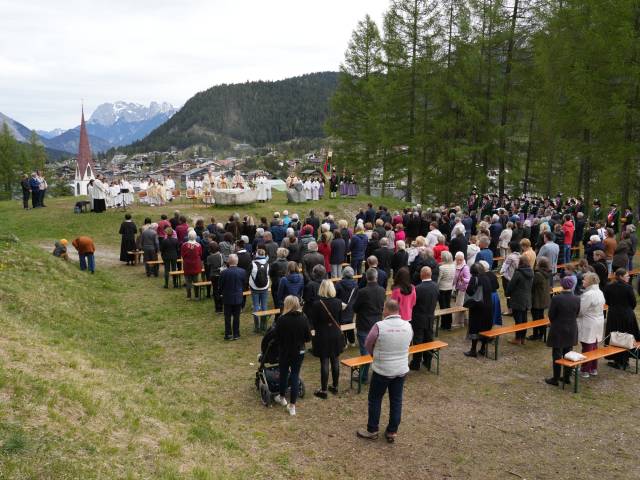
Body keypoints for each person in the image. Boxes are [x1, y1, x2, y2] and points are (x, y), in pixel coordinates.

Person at [357, 299, 413, 443]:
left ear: (386, 310)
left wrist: (374, 355)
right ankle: (392, 431)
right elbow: (409, 342)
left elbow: (368, 344)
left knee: (375, 399)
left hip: (382, 370)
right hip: (401, 369)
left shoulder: (379, 326)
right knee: (396, 400)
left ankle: (372, 429)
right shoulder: (407, 325)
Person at [272, 296, 312, 416]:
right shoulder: (303, 318)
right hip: (299, 351)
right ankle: (292, 405)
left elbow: (276, 337)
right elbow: (308, 337)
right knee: (295, 375)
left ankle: (282, 397)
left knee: (284, 374)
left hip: (285, 351)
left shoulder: (281, 319)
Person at [310, 280, 344, 399]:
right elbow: (340, 319)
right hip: (335, 333)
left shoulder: (317, 304)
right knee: (335, 360)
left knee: (324, 361)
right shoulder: (338, 302)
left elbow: (313, 322)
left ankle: (324, 390)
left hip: (322, 334)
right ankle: (335, 386)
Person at [352, 268, 386, 384]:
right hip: (376, 323)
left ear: (367, 278)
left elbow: (355, 308)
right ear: (376, 277)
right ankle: (372, 374)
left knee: (365, 352)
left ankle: (364, 376)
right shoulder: (382, 290)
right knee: (374, 350)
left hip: (365, 324)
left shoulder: (363, 292)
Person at [545, 275, 580, 386]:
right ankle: (566, 377)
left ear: (562, 285)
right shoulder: (577, 298)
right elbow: (577, 313)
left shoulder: (556, 298)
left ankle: (555, 378)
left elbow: (551, 315)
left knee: (557, 353)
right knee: (568, 352)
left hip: (558, 328)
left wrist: (556, 322)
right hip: (571, 327)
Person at [604, 268, 640, 370]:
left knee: (616, 337)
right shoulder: (628, 288)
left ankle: (618, 360)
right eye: (626, 276)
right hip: (626, 314)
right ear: (620, 276)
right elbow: (633, 303)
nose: (629, 277)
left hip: (614, 314)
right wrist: (626, 309)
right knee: (626, 336)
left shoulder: (609, 287)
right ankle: (624, 360)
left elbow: (607, 301)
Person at [409, 266, 440, 370]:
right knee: (429, 338)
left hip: (418, 317)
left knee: (418, 340)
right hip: (430, 316)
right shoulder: (436, 286)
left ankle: (416, 363)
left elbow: (413, 303)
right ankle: (428, 361)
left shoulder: (418, 288)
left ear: (422, 275)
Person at [577, 272, 606, 378]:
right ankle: (593, 368)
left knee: (587, 346)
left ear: (589, 281)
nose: (582, 281)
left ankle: (585, 370)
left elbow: (581, 310)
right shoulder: (599, 292)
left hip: (589, 321)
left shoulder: (588, 294)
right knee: (594, 345)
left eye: (584, 279)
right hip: (598, 320)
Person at [463, 263, 493, 357]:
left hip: (477, 307)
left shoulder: (474, 279)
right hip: (488, 306)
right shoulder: (487, 278)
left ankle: (473, 350)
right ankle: (483, 348)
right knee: (485, 327)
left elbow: (469, 291)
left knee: (475, 328)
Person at [505, 255, 533, 345]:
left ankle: (518, 338)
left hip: (518, 299)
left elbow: (511, 285)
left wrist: (507, 293)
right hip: (527, 298)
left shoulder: (518, 273)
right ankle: (523, 338)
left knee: (518, 319)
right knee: (524, 318)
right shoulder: (531, 272)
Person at [219, 254, 245, 340]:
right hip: (238, 296)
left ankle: (228, 334)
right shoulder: (242, 272)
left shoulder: (223, 273)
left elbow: (220, 285)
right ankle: (236, 334)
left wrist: (221, 293)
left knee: (227, 317)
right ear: (237, 262)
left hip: (227, 297)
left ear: (229, 262)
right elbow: (244, 284)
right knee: (236, 317)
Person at [528, 256, 552, 340]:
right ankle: (541, 333)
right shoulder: (548, 273)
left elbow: (532, 286)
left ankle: (536, 335)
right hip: (544, 298)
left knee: (536, 318)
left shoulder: (538, 274)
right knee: (541, 316)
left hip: (537, 299)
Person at [335, 267, 358, 346]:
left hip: (341, 306)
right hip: (351, 307)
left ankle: (344, 343)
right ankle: (352, 341)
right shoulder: (356, 284)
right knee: (350, 322)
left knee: (342, 323)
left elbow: (335, 296)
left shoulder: (338, 284)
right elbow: (356, 296)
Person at [250, 248, 271, 333]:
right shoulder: (267, 264)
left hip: (254, 287)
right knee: (264, 306)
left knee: (256, 306)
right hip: (265, 287)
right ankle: (264, 326)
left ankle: (256, 327)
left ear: (256, 254)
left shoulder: (252, 263)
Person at [181, 230, 203, 299]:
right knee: (196, 281)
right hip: (196, 265)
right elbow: (200, 254)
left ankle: (189, 296)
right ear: (196, 237)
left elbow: (182, 255)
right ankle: (196, 296)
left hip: (187, 265)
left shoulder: (184, 245)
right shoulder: (198, 245)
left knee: (188, 281)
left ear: (188, 236)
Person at [437, 251, 455, 330]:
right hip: (449, 287)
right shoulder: (453, 266)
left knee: (443, 306)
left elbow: (438, 279)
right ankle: (448, 323)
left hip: (442, 288)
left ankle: (444, 324)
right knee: (448, 305)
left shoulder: (441, 268)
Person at [452, 252, 470, 328]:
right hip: (458, 288)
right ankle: (465, 321)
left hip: (463, 289)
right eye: (458, 259)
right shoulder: (454, 265)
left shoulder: (465, 267)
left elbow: (469, 280)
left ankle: (457, 323)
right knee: (462, 305)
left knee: (459, 306)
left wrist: (463, 279)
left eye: (461, 260)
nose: (459, 261)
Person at [206, 241, 224, 311]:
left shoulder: (209, 257)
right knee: (221, 290)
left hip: (213, 275)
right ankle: (222, 306)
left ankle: (217, 308)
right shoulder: (221, 255)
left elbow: (208, 266)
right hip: (221, 274)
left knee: (215, 291)